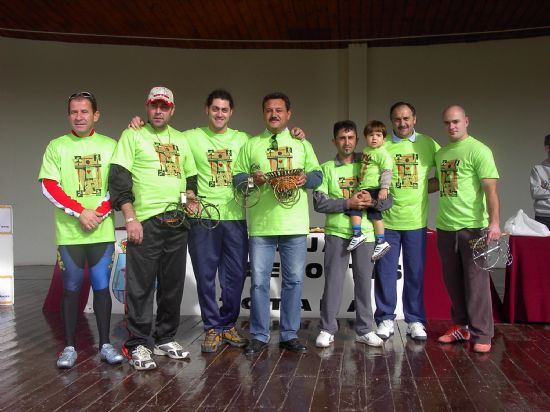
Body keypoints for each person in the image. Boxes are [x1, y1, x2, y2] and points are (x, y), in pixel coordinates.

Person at [127, 90, 306, 354]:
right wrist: (138, 124)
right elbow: (165, 138)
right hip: (203, 219)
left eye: (224, 110)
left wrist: (296, 133)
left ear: (231, 113)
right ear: (207, 110)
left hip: (235, 218)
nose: (219, 114)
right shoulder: (190, 137)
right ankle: (212, 328)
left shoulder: (243, 139)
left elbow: (268, 149)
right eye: (215, 109)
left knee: (234, 278)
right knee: (206, 277)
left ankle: (228, 324)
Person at [108, 87, 198, 370]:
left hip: (177, 220)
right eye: (154, 105)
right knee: (140, 286)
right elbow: (119, 180)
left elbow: (190, 178)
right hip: (145, 222)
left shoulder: (181, 139)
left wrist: (192, 200)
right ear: (147, 108)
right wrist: (130, 218)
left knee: (172, 285)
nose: (159, 110)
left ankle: (164, 338)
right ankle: (136, 344)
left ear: (172, 110)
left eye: (164, 106)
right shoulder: (132, 135)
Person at [38, 91, 123, 368]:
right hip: (70, 233)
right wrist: (80, 212)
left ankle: (105, 345)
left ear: (95, 115)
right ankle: (69, 347)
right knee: (71, 289)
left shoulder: (111, 145)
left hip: (101, 231)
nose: (79, 116)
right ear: (68, 115)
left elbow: (119, 184)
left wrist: (97, 213)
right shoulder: (56, 146)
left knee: (101, 289)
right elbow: (49, 185)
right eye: (74, 112)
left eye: (84, 111)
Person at [233, 92, 322, 355]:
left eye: (279, 110)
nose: (274, 114)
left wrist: (306, 178)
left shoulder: (301, 143)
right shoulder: (251, 144)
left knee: (293, 281)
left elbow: (318, 176)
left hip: (294, 224)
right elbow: (238, 181)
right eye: (269, 110)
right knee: (259, 282)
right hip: (261, 226)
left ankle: (289, 335)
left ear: (289, 114)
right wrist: (253, 180)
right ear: (263, 114)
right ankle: (259, 335)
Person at [313, 120, 391, 348]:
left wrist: (373, 201)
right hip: (337, 233)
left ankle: (365, 329)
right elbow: (319, 203)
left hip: (366, 233)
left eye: (350, 138)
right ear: (334, 141)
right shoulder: (326, 168)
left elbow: (388, 200)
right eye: (341, 138)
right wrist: (348, 202)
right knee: (333, 282)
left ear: (357, 139)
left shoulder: (371, 160)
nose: (347, 142)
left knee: (364, 282)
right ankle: (327, 329)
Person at [435, 105, 500, 353]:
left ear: (466, 121)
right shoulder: (442, 154)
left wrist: (494, 222)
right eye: (447, 123)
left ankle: (483, 332)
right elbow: (438, 184)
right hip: (445, 227)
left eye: (456, 122)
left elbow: (491, 190)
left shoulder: (479, 150)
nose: (452, 126)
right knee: (453, 282)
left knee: (476, 282)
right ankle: (461, 326)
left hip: (473, 228)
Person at [374, 102, 440, 341]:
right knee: (385, 272)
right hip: (388, 222)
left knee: (415, 273)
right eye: (397, 119)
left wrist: (424, 189)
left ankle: (415, 320)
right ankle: (385, 318)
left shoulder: (428, 144)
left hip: (416, 222)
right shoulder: (383, 145)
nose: (402, 123)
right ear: (391, 121)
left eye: (406, 118)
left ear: (415, 119)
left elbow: (442, 176)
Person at [345, 120, 393, 261]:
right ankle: (357, 234)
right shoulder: (366, 151)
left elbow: (387, 171)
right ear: (365, 138)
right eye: (371, 135)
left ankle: (381, 241)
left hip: (375, 189)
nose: (374, 138)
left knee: (375, 215)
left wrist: (384, 188)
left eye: (378, 135)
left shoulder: (382, 153)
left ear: (384, 139)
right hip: (364, 187)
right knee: (354, 209)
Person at [530, 134, 550, 230]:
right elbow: (535, 192)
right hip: (543, 217)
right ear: (547, 147)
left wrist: (547, 187)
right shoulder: (537, 169)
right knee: (543, 245)